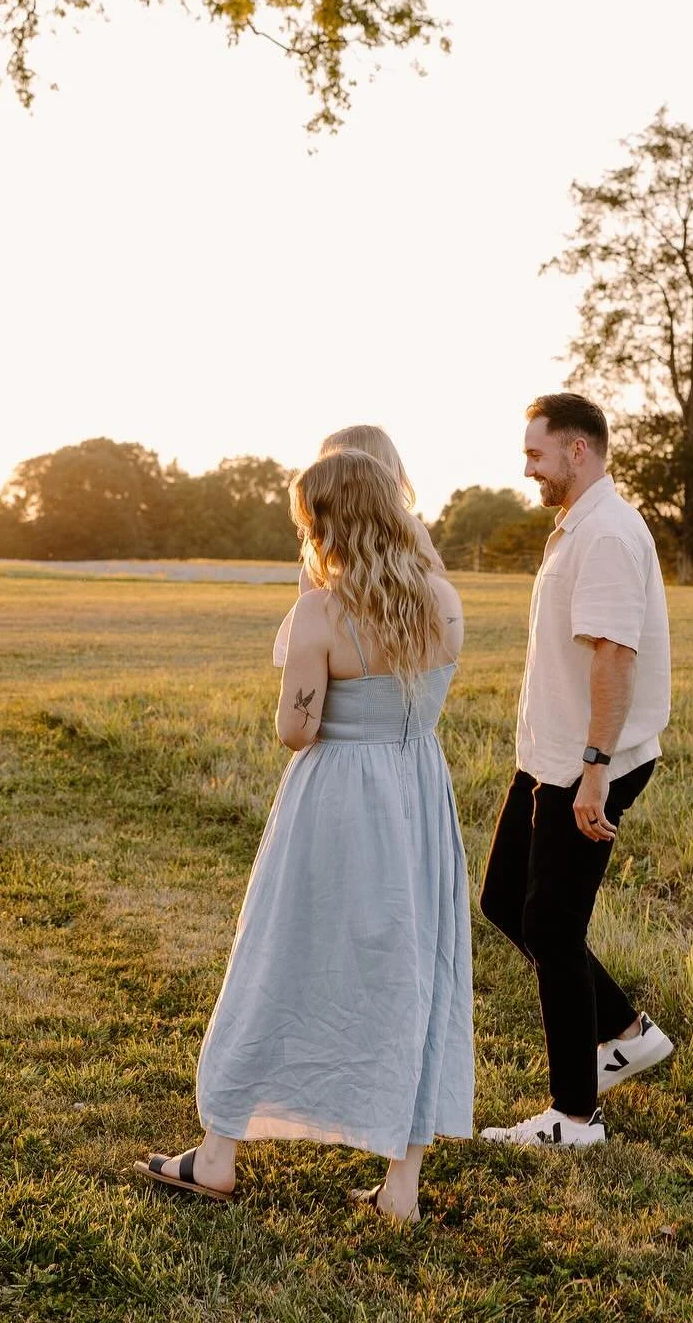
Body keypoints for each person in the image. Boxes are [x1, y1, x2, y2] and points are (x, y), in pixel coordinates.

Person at [138, 448, 471, 1223]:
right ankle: (402, 1185)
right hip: (418, 793)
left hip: (338, 798)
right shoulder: (444, 599)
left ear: (324, 522)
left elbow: (297, 729)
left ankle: (217, 1154)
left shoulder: (323, 611)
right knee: (410, 969)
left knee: (281, 955)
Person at [478, 393, 674, 1149]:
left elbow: (614, 657)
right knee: (505, 901)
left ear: (578, 452)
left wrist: (594, 770)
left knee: (552, 927)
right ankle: (626, 1031)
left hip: (588, 764)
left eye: (536, 455)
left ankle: (574, 1115)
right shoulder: (578, 527)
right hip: (549, 759)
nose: (527, 468)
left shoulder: (609, 535)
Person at [271, 424, 444, 664]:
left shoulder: (411, 528)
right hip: (344, 638)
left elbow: (432, 583)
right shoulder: (326, 541)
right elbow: (310, 597)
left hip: (382, 635)